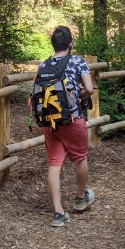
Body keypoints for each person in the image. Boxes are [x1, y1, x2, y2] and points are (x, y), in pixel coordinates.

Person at [36, 26, 96, 227]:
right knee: (80, 158)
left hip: (50, 121)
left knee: (54, 164)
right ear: (70, 44)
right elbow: (88, 88)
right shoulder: (78, 61)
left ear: (53, 44)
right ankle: (80, 198)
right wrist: (78, 97)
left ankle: (58, 212)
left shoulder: (43, 64)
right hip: (72, 119)